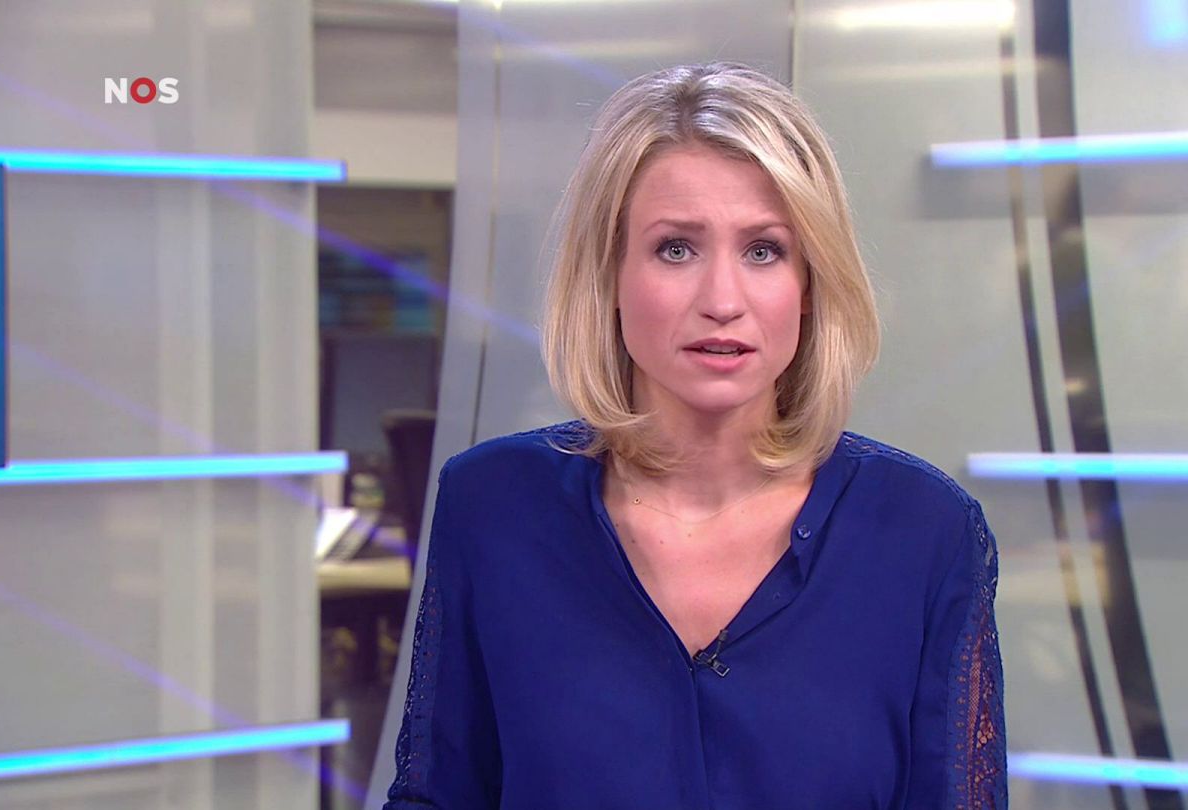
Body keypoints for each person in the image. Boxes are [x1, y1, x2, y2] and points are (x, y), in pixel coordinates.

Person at [383, 61, 1006, 809]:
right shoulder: (493, 506)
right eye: (676, 248)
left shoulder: (924, 531)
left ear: (810, 283)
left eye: (763, 250)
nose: (722, 300)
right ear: (609, 274)